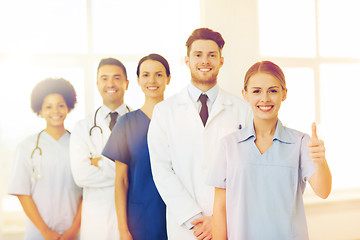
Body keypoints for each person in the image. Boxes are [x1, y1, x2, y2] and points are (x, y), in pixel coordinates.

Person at [147, 28, 252, 240]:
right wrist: (193, 217)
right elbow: (161, 170)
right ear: (187, 61)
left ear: (221, 61)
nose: (205, 61)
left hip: (230, 223)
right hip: (186, 227)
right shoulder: (164, 111)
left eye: (212, 55)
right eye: (198, 55)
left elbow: (249, 169)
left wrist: (219, 218)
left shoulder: (243, 110)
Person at [209, 61, 332, 240]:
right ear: (245, 94)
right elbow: (220, 207)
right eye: (256, 91)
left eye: (273, 90)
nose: (265, 98)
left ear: (284, 94)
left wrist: (320, 160)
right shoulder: (229, 145)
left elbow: (323, 191)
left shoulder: (301, 142)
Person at [102, 53, 170, 240]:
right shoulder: (125, 123)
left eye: (159, 74)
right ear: (138, 80)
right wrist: (123, 230)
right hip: (140, 220)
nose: (152, 80)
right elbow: (121, 181)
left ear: (168, 79)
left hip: (177, 215)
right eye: (146, 75)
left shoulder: (179, 121)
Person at [8, 78, 82, 240]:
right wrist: (45, 231)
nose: (55, 111)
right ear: (39, 110)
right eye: (48, 106)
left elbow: (86, 192)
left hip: (74, 232)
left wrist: (73, 231)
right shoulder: (26, 147)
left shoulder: (80, 145)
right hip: (39, 233)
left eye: (60, 105)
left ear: (69, 107)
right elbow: (22, 193)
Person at [70, 58, 131, 240]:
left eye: (116, 78)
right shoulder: (83, 127)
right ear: (97, 84)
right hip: (97, 221)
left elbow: (147, 172)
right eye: (104, 78)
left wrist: (99, 162)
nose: (110, 83)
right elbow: (81, 175)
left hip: (133, 214)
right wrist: (126, 168)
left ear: (126, 84)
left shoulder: (140, 122)